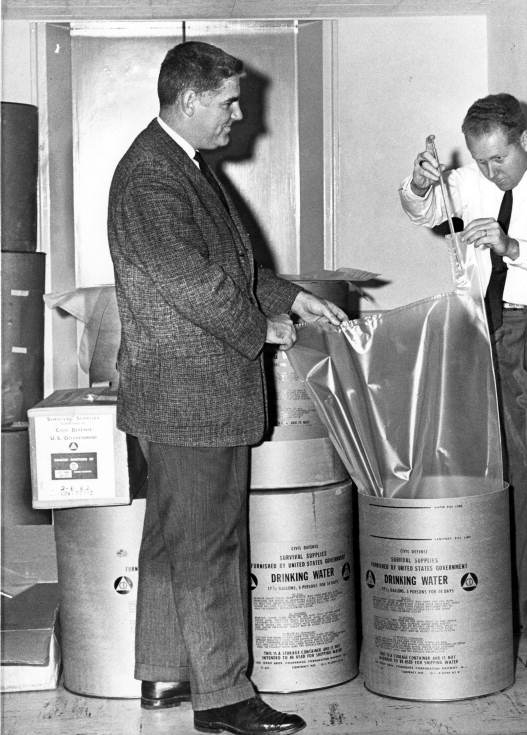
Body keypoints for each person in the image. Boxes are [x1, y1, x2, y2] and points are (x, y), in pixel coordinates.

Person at [107, 41, 346, 735]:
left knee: (172, 539)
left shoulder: (179, 166)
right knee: (210, 543)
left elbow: (232, 266)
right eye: (228, 101)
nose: (238, 116)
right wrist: (263, 328)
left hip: (180, 392)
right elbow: (194, 282)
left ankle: (163, 672)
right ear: (188, 100)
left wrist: (295, 299)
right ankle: (223, 698)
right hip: (192, 394)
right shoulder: (154, 176)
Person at [399, 93, 527, 670]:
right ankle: (505, 606)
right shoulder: (477, 179)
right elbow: (427, 210)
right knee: (496, 471)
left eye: (498, 161)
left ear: (526, 141)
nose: (488, 172)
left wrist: (513, 248)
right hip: (485, 328)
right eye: (480, 161)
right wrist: (419, 183)